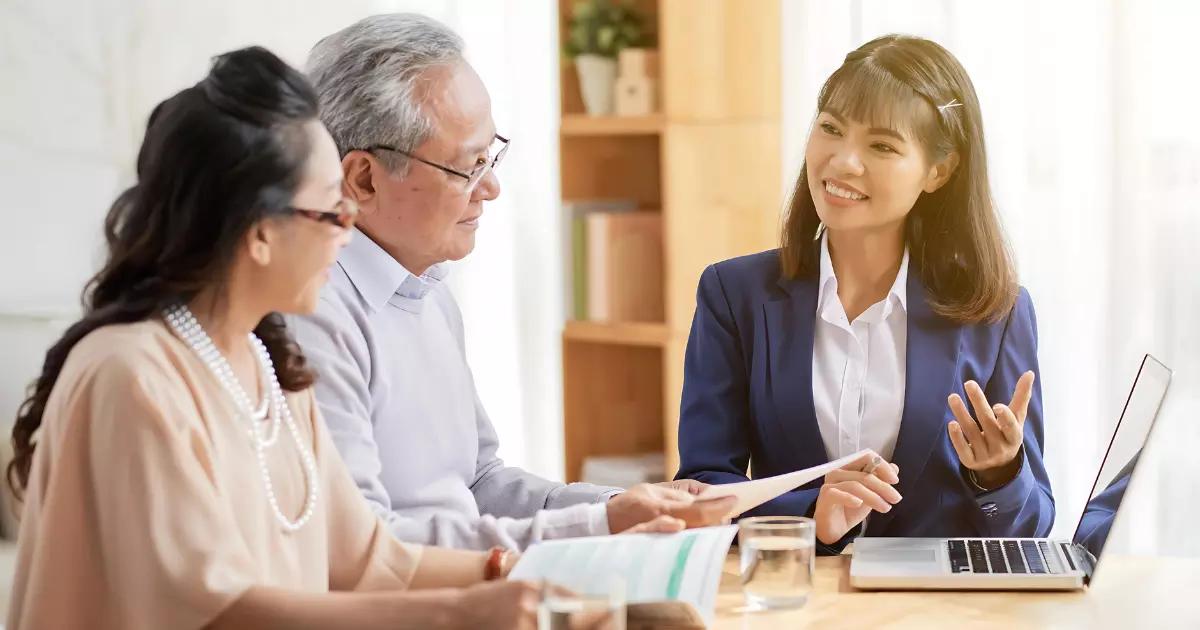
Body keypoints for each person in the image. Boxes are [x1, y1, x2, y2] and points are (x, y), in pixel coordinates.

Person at [4, 46, 680, 630]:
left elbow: (366, 559)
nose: (350, 228)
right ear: (259, 231)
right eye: (332, 210)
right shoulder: (131, 373)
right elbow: (215, 611)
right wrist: (460, 612)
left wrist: (517, 571)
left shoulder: (268, 363)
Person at [287, 13, 733, 552]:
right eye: (467, 167)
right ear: (363, 179)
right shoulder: (312, 313)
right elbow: (364, 546)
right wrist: (597, 527)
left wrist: (616, 507)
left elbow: (478, 483)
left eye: (490, 154)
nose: (491, 187)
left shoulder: (427, 291)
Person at [674, 34, 1055, 554]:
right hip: (794, 600)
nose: (843, 162)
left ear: (938, 171)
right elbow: (698, 488)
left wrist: (999, 473)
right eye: (830, 128)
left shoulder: (995, 312)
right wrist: (810, 512)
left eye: (881, 146)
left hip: (934, 612)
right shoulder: (733, 295)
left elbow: (1031, 530)